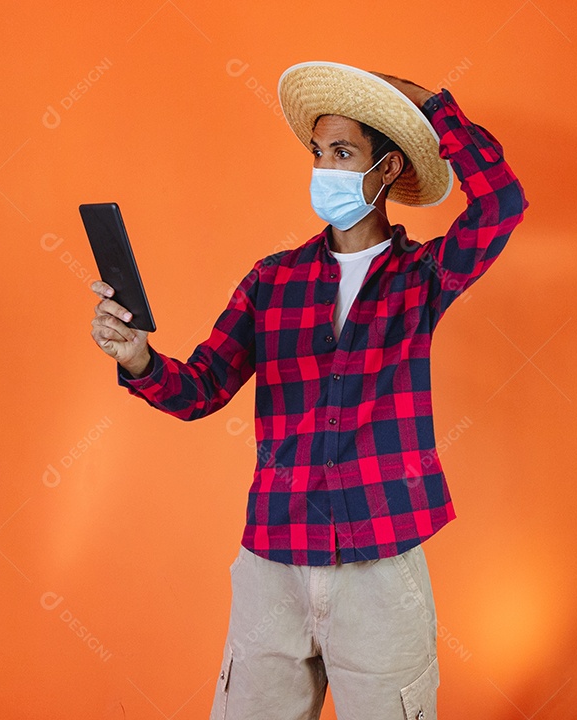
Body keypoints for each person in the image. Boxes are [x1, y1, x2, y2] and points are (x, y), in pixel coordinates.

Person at [89, 61, 528, 720]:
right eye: (319, 153)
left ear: (386, 172)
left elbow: (501, 202)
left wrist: (434, 108)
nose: (324, 169)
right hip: (274, 562)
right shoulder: (272, 281)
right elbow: (202, 387)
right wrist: (140, 359)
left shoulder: (422, 276)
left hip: (382, 562)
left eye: (344, 153)